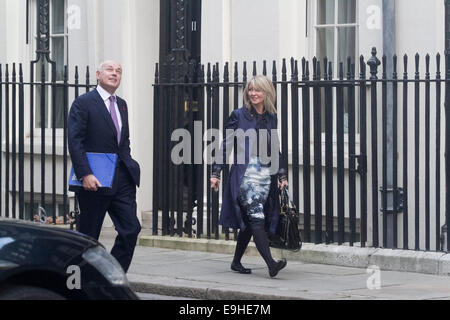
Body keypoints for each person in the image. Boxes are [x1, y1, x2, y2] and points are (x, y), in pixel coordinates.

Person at [210, 75, 289, 278]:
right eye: (250, 89)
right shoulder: (238, 115)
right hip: (245, 175)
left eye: (258, 90)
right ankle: (271, 264)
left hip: (265, 176)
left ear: (267, 93)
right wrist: (216, 172)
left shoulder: (271, 117)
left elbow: (275, 149)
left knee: (250, 220)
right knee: (256, 217)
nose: (253, 93)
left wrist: (282, 175)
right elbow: (225, 144)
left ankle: (236, 262)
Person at [68, 60, 141, 273]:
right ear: (98, 74)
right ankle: (76, 282)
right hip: (95, 180)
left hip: (122, 178)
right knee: (88, 237)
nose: (115, 74)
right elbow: (75, 141)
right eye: (110, 70)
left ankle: (110, 276)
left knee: (131, 229)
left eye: (119, 71)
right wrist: (85, 174)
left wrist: (129, 163)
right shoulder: (83, 103)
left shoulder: (122, 104)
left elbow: (123, 140)